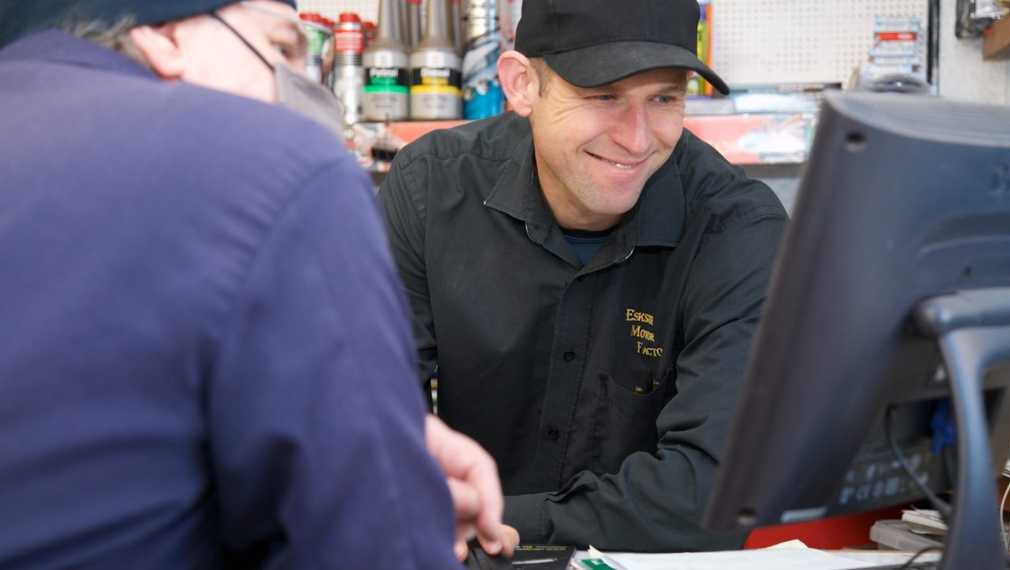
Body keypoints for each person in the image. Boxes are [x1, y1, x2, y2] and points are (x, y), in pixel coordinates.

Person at [0, 1, 516, 567]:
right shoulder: (281, 165)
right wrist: (381, 472)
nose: (301, 91)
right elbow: (377, 551)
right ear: (165, 37)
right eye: (280, 49)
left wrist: (349, 416)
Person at [378, 0, 789, 552]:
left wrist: (488, 521)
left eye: (664, 98)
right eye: (603, 96)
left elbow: (713, 491)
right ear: (522, 85)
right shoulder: (430, 188)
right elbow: (369, 418)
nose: (638, 139)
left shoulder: (736, 226)